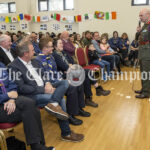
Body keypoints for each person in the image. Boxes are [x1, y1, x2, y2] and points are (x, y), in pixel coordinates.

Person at [8, 38, 84, 142]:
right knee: (61, 99)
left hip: (44, 87)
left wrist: (48, 83)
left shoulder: (33, 61)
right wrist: (43, 90)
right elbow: (22, 88)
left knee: (65, 82)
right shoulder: (13, 67)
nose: (35, 51)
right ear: (25, 53)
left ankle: (53, 102)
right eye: (32, 50)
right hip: (31, 95)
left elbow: (44, 75)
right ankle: (66, 133)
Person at [0, 62, 55, 150]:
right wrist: (7, 96)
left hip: (11, 100)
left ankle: (37, 145)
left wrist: (12, 99)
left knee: (30, 104)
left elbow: (12, 84)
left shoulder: (1, 65)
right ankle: (37, 145)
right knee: (31, 108)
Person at [135, 8, 150, 99]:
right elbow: (140, 38)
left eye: (141, 15)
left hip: (147, 53)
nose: (140, 17)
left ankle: (146, 92)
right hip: (143, 52)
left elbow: (145, 38)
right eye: (139, 15)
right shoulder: (145, 25)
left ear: (148, 14)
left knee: (146, 73)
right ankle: (144, 88)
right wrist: (139, 31)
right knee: (143, 72)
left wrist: (141, 32)